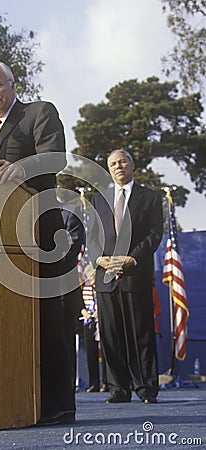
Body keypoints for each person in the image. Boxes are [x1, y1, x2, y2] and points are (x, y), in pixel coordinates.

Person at [0, 60, 74, 425]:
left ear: (12, 85)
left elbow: (57, 156)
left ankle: (58, 405)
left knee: (47, 319)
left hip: (38, 231)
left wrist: (24, 168)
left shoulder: (38, 113)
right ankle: (10, 397)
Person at [88, 149, 163, 404]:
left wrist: (131, 259)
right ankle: (118, 389)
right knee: (111, 336)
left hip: (136, 275)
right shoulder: (98, 200)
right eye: (112, 164)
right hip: (106, 278)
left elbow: (154, 235)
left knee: (141, 334)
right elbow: (92, 238)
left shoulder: (150, 198)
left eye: (122, 162)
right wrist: (99, 259)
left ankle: (146, 388)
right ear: (108, 169)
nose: (118, 166)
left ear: (132, 164)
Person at [59, 201, 85, 391]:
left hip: (60, 290)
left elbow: (70, 248)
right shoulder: (24, 213)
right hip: (29, 292)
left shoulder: (69, 213)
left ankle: (65, 392)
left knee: (64, 342)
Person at [81, 264, 107, 393]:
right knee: (91, 354)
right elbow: (80, 304)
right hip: (89, 323)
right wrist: (85, 312)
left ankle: (107, 382)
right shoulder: (85, 289)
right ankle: (94, 383)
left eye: (92, 275)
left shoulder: (103, 286)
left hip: (103, 322)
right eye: (88, 276)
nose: (90, 278)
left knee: (106, 353)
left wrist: (99, 312)